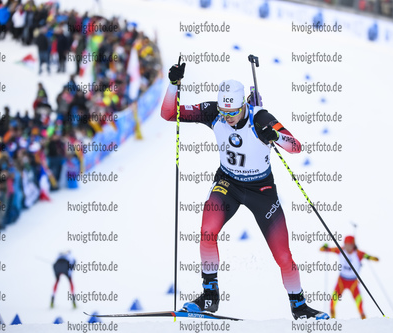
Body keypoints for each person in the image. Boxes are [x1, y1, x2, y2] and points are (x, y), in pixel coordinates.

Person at [160, 62, 329, 320]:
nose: (227, 118)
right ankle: (210, 294)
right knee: (207, 231)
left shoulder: (260, 117)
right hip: (228, 184)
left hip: (262, 190)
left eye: (233, 112)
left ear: (244, 106)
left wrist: (274, 135)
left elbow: (295, 146)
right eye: (224, 112)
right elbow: (169, 114)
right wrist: (173, 85)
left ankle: (299, 306)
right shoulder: (213, 112)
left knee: (283, 255)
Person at [320, 235, 379, 319]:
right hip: (342, 280)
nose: (347, 247)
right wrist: (324, 247)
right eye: (346, 244)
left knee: (359, 300)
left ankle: (363, 318)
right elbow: (324, 250)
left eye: (349, 245)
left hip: (353, 282)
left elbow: (368, 256)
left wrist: (373, 258)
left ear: (353, 245)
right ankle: (332, 317)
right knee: (333, 299)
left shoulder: (358, 253)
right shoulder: (340, 250)